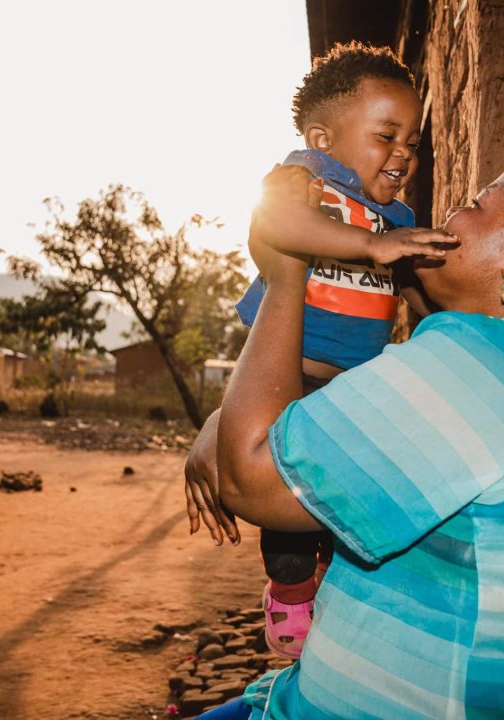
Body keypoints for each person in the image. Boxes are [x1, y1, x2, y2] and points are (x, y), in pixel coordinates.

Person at [186, 146, 504, 719]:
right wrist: (221, 423)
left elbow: (249, 479)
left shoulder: (478, 367)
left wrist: (286, 273)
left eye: (475, 205)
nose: (451, 214)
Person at [189, 41, 456, 658]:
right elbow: (280, 228)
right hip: (293, 380)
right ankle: (288, 592)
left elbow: (419, 297)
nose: (402, 154)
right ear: (322, 138)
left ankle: (342, 599)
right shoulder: (305, 182)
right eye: (386, 135)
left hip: (355, 385)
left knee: (345, 503)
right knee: (286, 516)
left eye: (411, 142)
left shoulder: (395, 218)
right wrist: (370, 248)